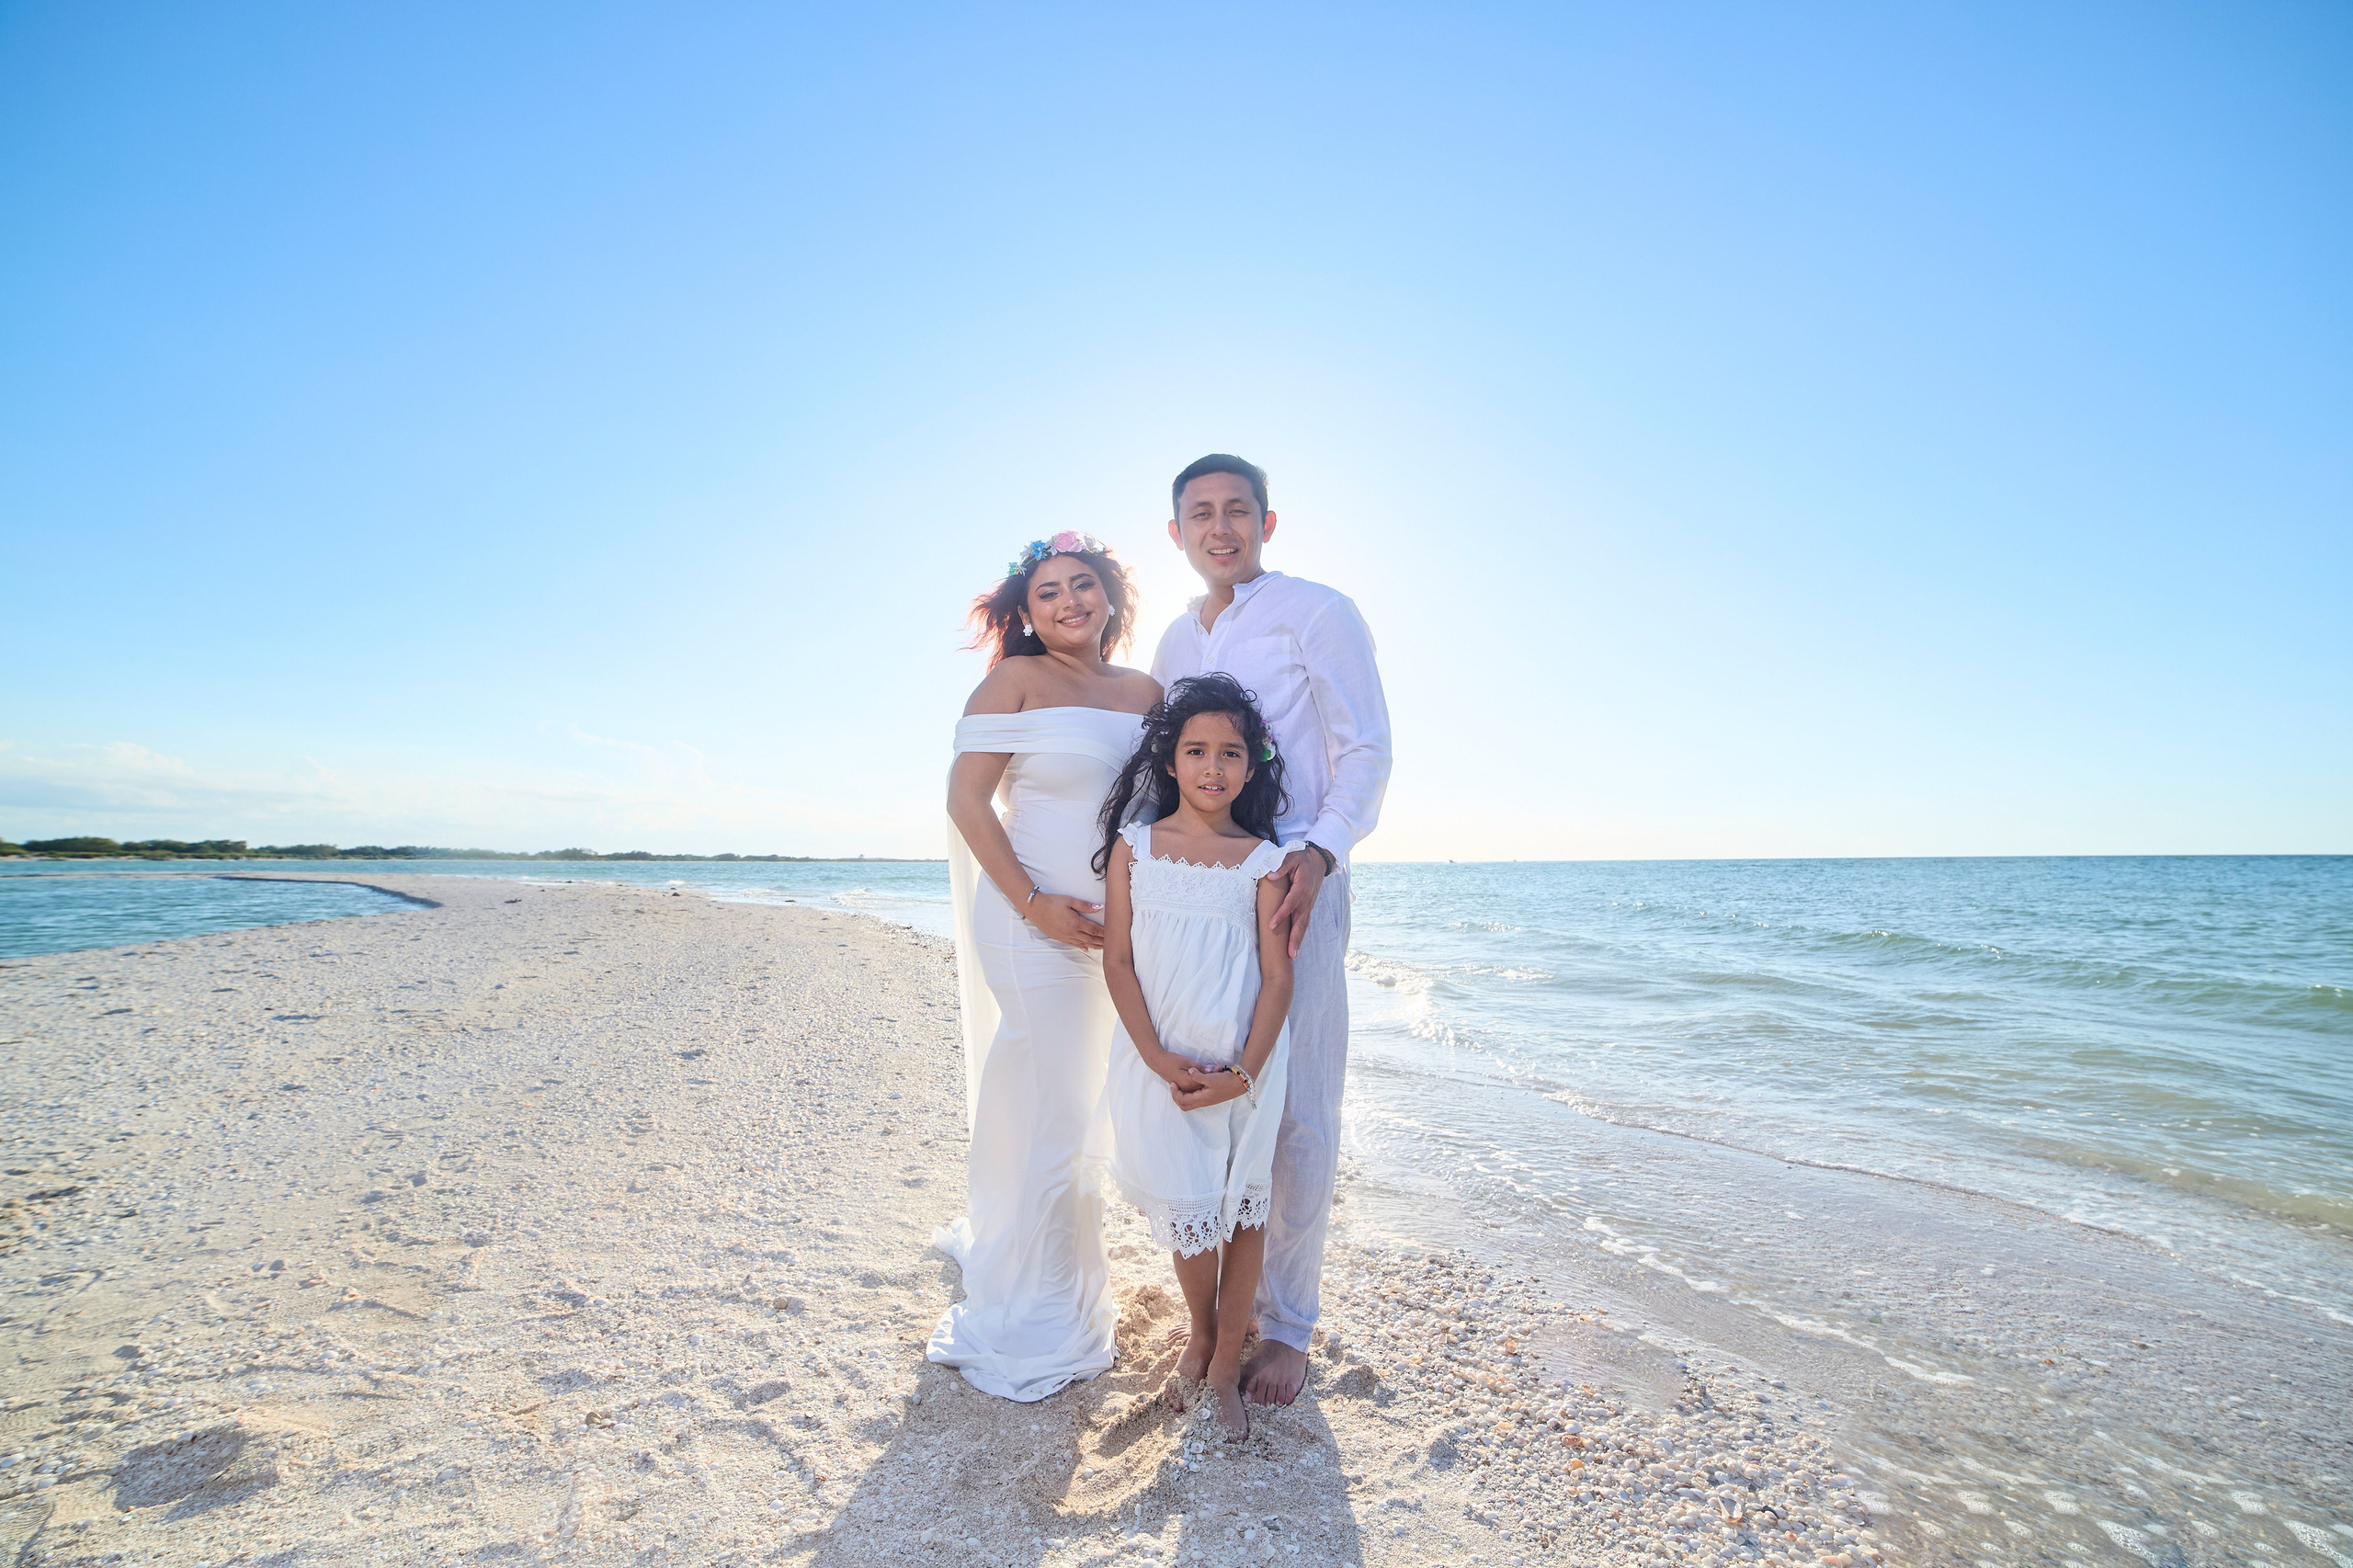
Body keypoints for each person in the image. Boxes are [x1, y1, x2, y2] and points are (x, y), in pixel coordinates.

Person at [1150, 454, 1392, 1407]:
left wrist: (1321, 853)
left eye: (1237, 511)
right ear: (1175, 533)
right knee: (1213, 1094)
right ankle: (1222, 1306)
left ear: (1266, 520)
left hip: (1297, 878)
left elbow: (1364, 746)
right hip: (1204, 893)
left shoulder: (1317, 610)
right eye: (1200, 514)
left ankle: (1287, 1323)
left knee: (1296, 1108)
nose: (1220, 528)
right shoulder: (1174, 637)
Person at [928, 530, 1162, 1402]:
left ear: (1110, 596)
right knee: (1067, 1113)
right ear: (1025, 614)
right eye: (1049, 593)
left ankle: (1025, 1250)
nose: (1070, 602)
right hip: (1030, 926)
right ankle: (1045, 1314)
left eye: (1084, 585)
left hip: (1121, 934)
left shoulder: (1146, 692)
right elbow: (965, 801)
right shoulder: (1014, 684)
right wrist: (1035, 903)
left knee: (1066, 1101)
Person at [1094, 675, 1295, 1441]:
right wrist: (1156, 1057)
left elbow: (1278, 979)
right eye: (1197, 751)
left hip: (1244, 1070)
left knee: (1243, 1207)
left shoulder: (1263, 862)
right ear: (1170, 761)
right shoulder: (1135, 848)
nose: (1214, 767)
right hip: (1164, 1065)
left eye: (1231, 753)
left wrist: (1241, 1073)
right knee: (1189, 1205)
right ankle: (1203, 1330)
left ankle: (1220, 1367)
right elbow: (1118, 961)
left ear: (1253, 766)